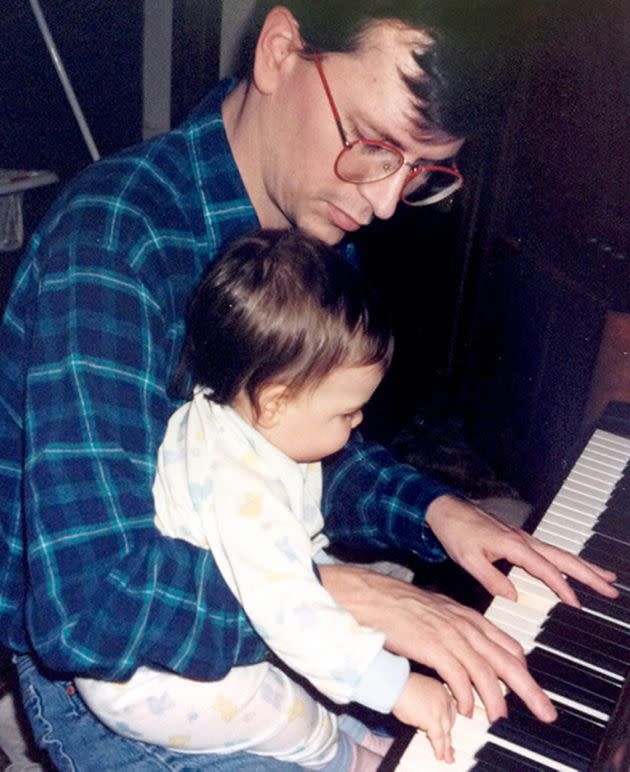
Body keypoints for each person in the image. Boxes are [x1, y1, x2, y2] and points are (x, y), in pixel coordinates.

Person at [0, 1, 617, 769]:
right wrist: (337, 593)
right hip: (115, 677)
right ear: (280, 52)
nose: (385, 201)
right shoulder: (110, 245)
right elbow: (89, 607)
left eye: (421, 172)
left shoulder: (307, 224)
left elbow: (290, 439)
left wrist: (435, 509)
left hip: (261, 595)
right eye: (372, 144)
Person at [76, 227, 457, 769]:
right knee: (279, 711)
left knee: (303, 670)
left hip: (201, 625)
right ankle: (341, 758)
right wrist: (396, 688)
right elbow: (291, 612)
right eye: (346, 413)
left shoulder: (247, 413)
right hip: (145, 681)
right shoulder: (240, 489)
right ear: (276, 403)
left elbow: (296, 558)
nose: (359, 422)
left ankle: (338, 727)